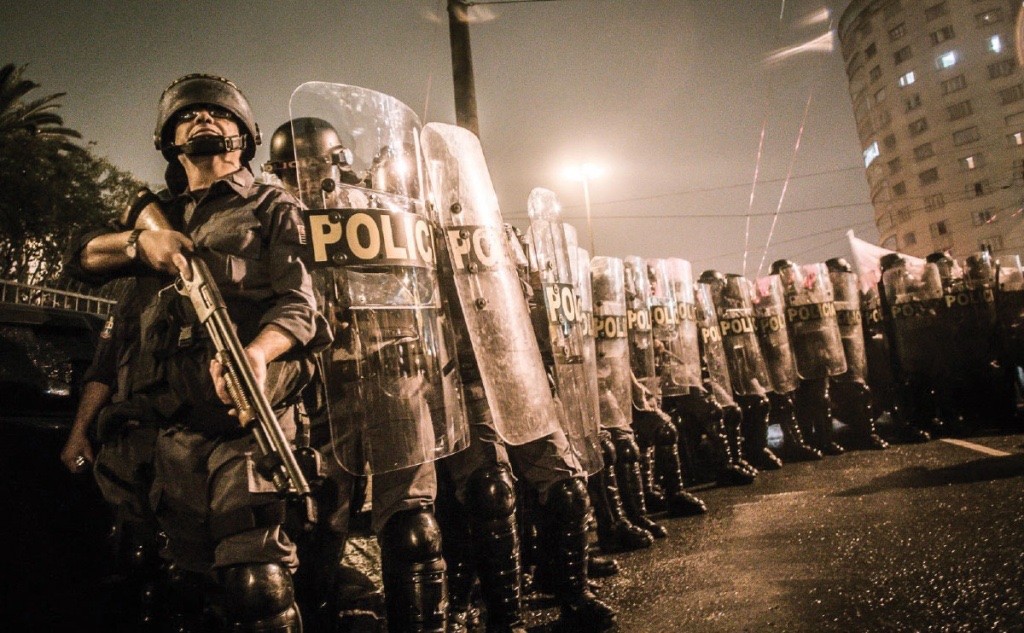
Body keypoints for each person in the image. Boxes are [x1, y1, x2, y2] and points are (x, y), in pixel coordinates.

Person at [64, 73, 328, 632]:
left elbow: (301, 307)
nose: (204, 118)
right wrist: (141, 244)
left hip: (242, 425)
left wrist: (257, 353)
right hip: (159, 437)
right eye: (188, 115)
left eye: (219, 113)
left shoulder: (272, 205)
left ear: (244, 135)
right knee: (169, 593)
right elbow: (87, 277)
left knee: (258, 587)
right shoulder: (155, 216)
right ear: (168, 138)